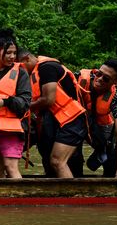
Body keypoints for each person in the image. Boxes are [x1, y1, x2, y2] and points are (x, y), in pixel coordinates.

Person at [17, 49, 87, 178]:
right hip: (56, 121)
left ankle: (72, 197)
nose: (18, 72)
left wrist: (23, 106)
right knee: (50, 163)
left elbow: (48, 100)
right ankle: (56, 196)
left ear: (26, 59)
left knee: (57, 162)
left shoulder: (47, 68)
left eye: (19, 67)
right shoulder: (34, 74)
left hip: (71, 120)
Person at [0, 30, 31, 178]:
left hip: (11, 130)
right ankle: (0, 201)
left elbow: (25, 102)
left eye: (14, 53)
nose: (12, 57)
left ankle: (21, 200)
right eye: (8, 53)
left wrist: (4, 102)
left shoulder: (20, 73)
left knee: (11, 167)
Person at [76, 59, 117, 182]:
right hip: (75, 122)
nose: (100, 79)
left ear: (116, 82)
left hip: (100, 127)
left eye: (106, 78)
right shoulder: (77, 78)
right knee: (73, 156)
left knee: (112, 157)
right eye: (98, 73)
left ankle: (111, 170)